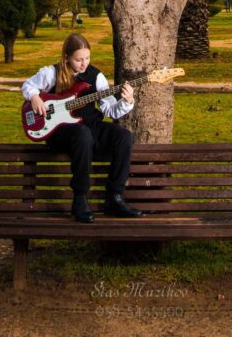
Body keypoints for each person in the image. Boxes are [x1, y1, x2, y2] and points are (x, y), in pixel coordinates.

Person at [21, 32, 144, 224]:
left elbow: (110, 110)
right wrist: (34, 96)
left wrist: (127, 101)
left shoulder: (96, 77)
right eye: (78, 59)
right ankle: (80, 198)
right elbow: (28, 85)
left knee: (124, 136)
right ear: (66, 57)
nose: (84, 63)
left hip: (89, 125)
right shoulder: (51, 73)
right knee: (82, 134)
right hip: (60, 131)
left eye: (87, 58)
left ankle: (115, 197)